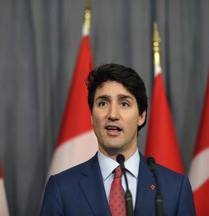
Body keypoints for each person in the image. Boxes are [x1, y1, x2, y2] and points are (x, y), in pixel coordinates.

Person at [40, 63, 195, 216]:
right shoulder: (62, 188)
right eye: (103, 103)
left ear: (141, 116)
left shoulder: (175, 189)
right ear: (92, 117)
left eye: (124, 104)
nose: (112, 114)